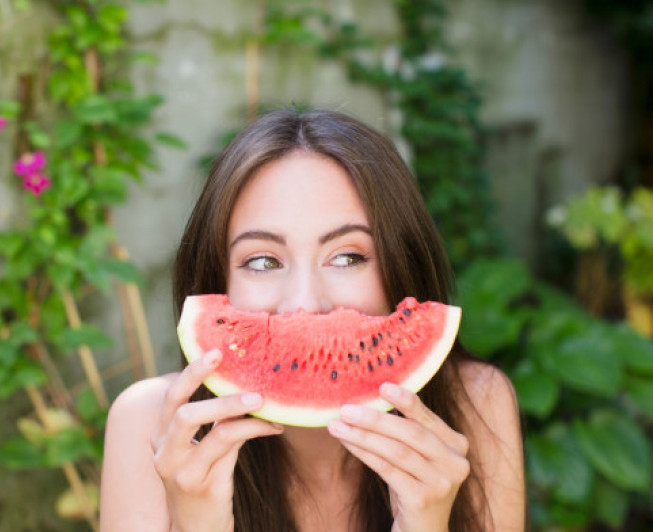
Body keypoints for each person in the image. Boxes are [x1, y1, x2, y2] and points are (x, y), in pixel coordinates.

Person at [99, 108, 525, 531]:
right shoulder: (146, 427)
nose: (304, 304)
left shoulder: (476, 405)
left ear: (403, 263)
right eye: (263, 261)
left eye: (348, 257)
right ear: (216, 280)